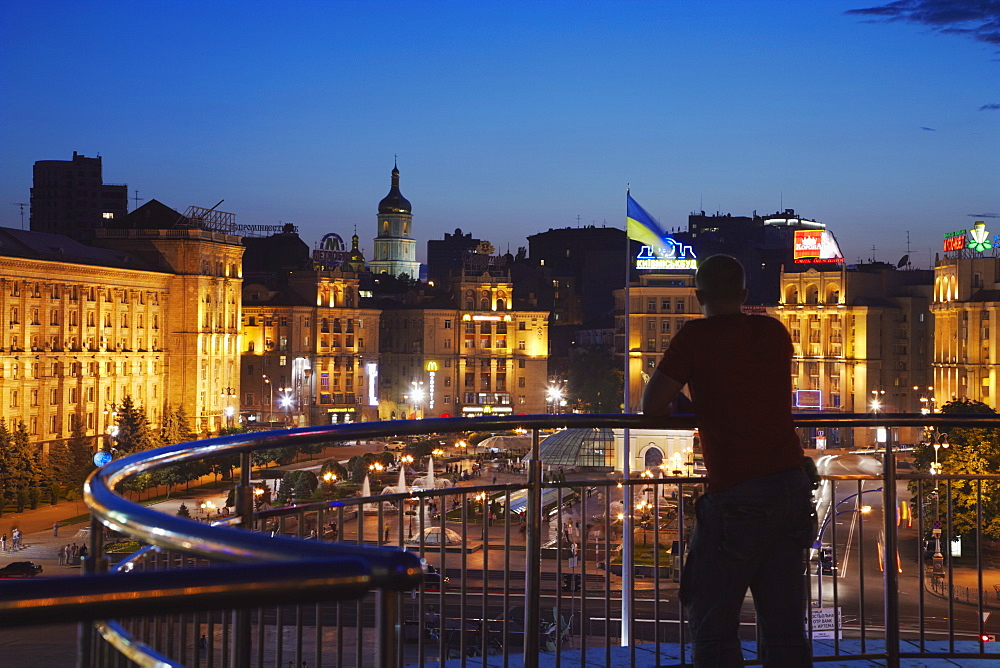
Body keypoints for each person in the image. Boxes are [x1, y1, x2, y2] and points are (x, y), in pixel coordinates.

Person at [641, 254, 815, 668]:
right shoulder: (774, 332)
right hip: (791, 485)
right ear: (743, 294)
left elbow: (651, 405)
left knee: (712, 625)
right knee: (785, 627)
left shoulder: (695, 338)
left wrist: (693, 408)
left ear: (698, 295)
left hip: (737, 493)